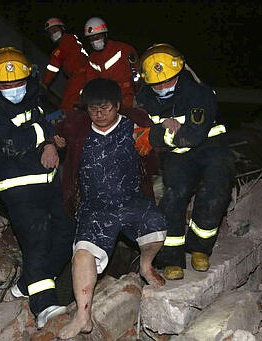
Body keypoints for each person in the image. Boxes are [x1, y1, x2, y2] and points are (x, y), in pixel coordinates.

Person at [0, 47, 75, 329]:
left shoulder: (33, 97)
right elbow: (12, 143)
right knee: (37, 239)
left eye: (18, 82)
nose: (14, 88)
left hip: (47, 180)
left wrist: (52, 143)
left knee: (66, 231)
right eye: (7, 84)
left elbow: (42, 125)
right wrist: (48, 134)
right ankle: (44, 306)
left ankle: (26, 285)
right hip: (17, 188)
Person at [57, 78, 167, 339]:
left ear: (118, 105)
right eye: (93, 109)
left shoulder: (135, 123)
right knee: (82, 255)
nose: (99, 114)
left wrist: (163, 132)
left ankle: (146, 265)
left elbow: (160, 144)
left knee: (157, 226)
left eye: (105, 108)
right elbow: (57, 133)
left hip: (131, 200)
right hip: (95, 208)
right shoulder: (77, 125)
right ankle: (83, 317)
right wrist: (51, 144)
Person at [135, 43, 235, 277]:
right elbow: (139, 134)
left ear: (178, 73)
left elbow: (192, 135)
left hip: (211, 149)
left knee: (217, 188)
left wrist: (159, 133)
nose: (162, 86)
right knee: (174, 194)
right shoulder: (144, 99)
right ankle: (171, 258)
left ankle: (200, 248)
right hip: (176, 156)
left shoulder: (198, 93)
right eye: (157, 83)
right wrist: (160, 132)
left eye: (168, 80)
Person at [83, 17, 139, 108]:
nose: (95, 41)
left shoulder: (123, 49)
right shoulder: (92, 58)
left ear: (105, 35)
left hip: (129, 98)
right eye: (91, 38)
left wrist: (138, 97)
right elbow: (91, 82)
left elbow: (137, 74)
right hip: (108, 102)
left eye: (98, 36)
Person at [42, 17, 90, 112]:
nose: (53, 34)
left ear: (62, 29)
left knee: (67, 106)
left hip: (79, 77)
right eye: (50, 32)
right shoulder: (73, 40)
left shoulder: (65, 43)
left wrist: (45, 83)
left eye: (55, 30)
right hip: (87, 75)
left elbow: (54, 65)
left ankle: (61, 125)